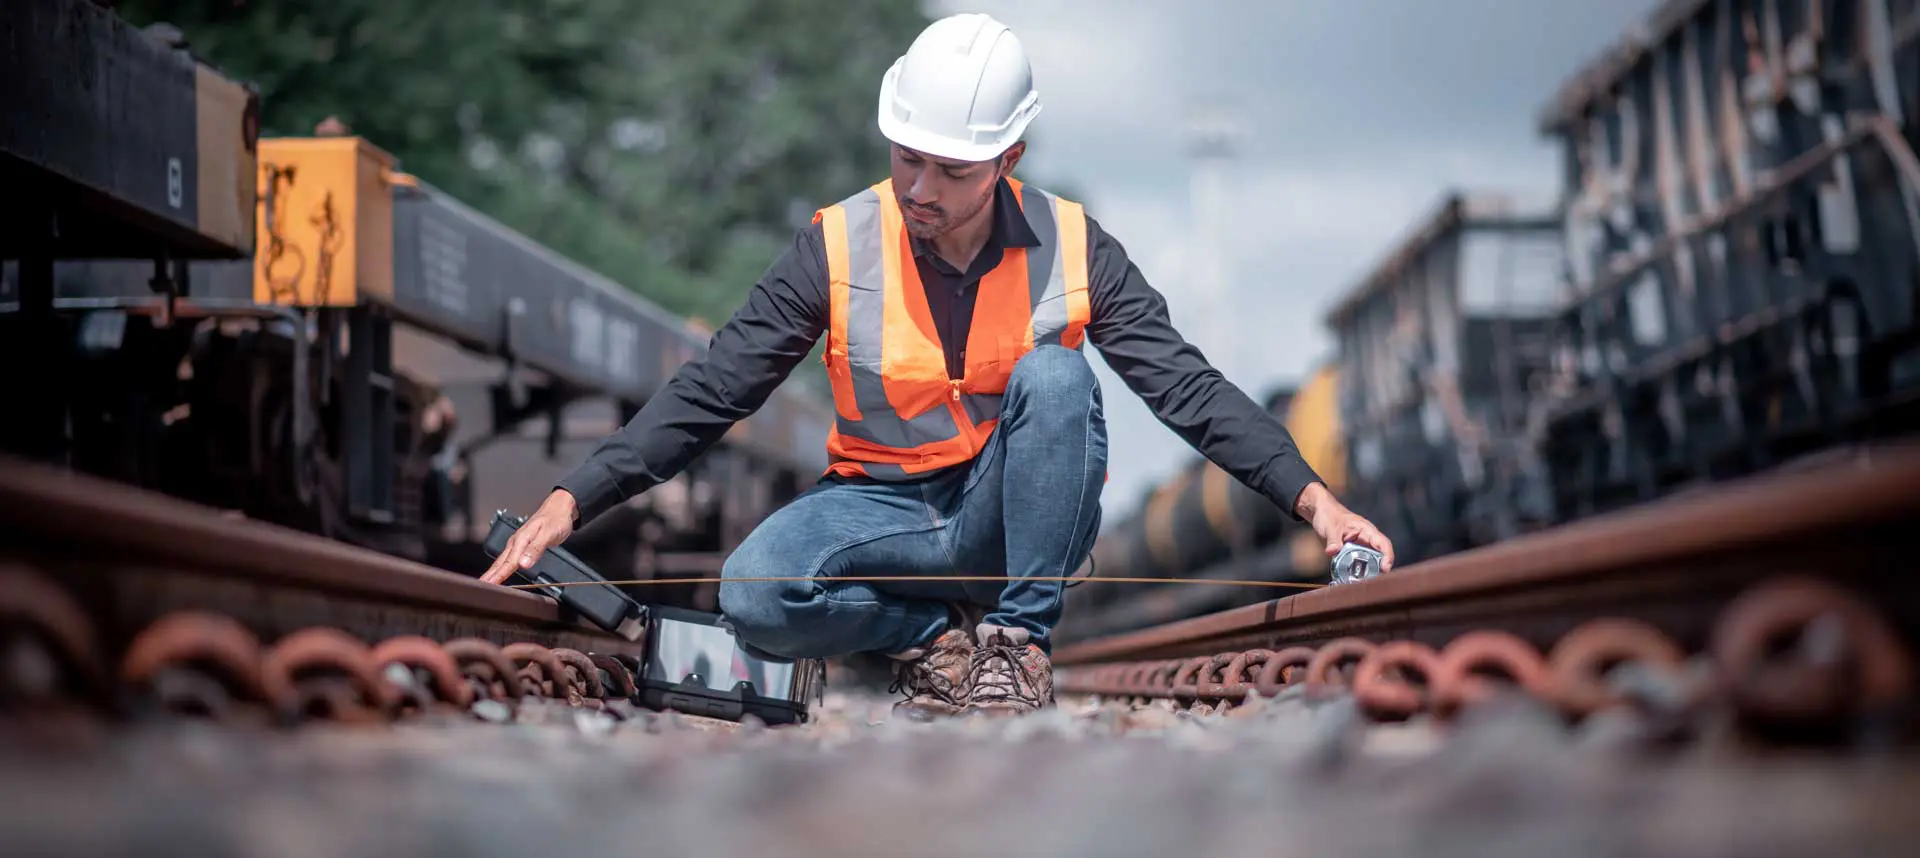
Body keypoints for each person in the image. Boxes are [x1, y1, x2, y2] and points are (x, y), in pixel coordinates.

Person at [481, 12, 1395, 719]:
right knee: (750, 593)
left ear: (1008, 159)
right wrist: (572, 500)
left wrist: (1317, 503)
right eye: (907, 159)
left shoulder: (1075, 245)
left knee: (1059, 374)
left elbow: (1185, 388)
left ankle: (1018, 650)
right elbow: (718, 385)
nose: (920, 189)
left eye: (951, 171)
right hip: (880, 509)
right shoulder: (837, 243)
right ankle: (936, 642)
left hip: (1010, 520)